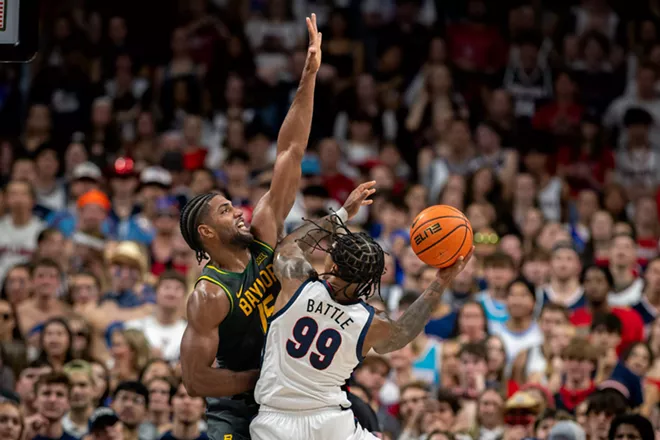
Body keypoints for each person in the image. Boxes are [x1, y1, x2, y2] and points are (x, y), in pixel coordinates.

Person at [179, 13, 322, 440]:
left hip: (289, 395)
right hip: (238, 407)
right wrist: (259, 376)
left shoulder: (262, 233)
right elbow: (196, 380)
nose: (238, 212)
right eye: (225, 211)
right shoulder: (209, 295)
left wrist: (308, 78)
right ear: (205, 233)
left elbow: (290, 151)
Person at [249, 182, 472, 439]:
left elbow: (290, 245)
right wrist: (441, 281)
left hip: (276, 421)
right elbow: (404, 332)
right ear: (372, 279)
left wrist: (342, 213)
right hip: (332, 423)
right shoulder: (369, 322)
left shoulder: (297, 285)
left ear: (331, 262)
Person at [24, 371, 77, 440]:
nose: (52, 400)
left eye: (59, 394)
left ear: (69, 403)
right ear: (35, 400)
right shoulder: (20, 437)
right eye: (46, 393)